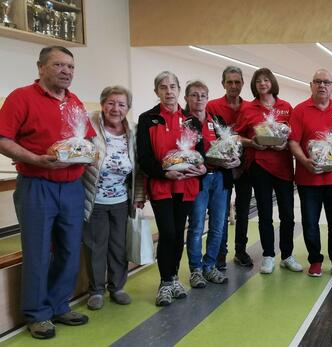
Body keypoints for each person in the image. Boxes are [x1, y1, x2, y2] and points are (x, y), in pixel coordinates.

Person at [0, 46, 93, 339]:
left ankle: (59, 305)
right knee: (39, 251)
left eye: (70, 66)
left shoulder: (75, 102)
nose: (66, 71)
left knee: (68, 249)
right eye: (59, 65)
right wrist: (35, 159)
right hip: (37, 184)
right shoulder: (21, 98)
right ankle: (37, 314)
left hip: (72, 187)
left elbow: (87, 140)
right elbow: (2, 139)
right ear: (40, 68)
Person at [136, 71, 206, 306]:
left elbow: (201, 153)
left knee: (178, 234)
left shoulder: (192, 121)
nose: (168, 91)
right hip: (162, 185)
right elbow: (144, 157)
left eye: (172, 86)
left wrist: (202, 168)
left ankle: (174, 277)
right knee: (167, 233)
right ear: (156, 92)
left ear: (178, 91)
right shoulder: (148, 119)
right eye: (163, 87)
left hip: (186, 185)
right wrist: (165, 172)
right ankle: (165, 283)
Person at [82, 86, 146, 310]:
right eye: (110, 103)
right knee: (95, 246)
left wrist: (138, 196)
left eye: (121, 104)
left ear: (128, 108)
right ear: (102, 104)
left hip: (121, 200)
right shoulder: (89, 125)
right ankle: (96, 290)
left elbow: (139, 168)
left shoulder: (133, 132)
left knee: (118, 246)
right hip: (94, 200)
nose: (115, 108)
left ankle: (117, 287)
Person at [235, 68, 303, 274]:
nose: (262, 84)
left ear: (272, 82)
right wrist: (252, 142)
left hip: (282, 167)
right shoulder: (248, 108)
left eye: (266, 80)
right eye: (258, 81)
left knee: (288, 215)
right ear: (254, 86)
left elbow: (292, 136)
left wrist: (285, 145)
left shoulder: (286, 107)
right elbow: (237, 137)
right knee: (265, 214)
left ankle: (288, 255)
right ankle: (268, 256)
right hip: (259, 166)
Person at [289, 69, 332, 280]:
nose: (322, 85)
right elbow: (293, 142)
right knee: (310, 221)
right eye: (318, 81)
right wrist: (305, 161)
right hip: (309, 178)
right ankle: (315, 260)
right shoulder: (300, 110)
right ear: (311, 85)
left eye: (326, 82)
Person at [183, 80, 237, 288]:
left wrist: (235, 158)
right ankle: (196, 270)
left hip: (220, 179)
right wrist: (204, 163)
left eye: (203, 95)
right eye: (194, 95)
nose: (199, 99)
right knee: (196, 226)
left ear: (207, 98)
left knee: (218, 225)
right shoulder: (185, 123)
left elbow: (229, 146)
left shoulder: (217, 120)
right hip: (198, 180)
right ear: (187, 98)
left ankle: (210, 265)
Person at [206, 66, 254, 269]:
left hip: (245, 167)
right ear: (223, 84)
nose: (233, 86)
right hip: (221, 169)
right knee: (221, 211)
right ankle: (220, 252)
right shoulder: (212, 106)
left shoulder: (251, 108)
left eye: (237, 82)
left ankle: (240, 251)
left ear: (243, 84)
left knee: (243, 211)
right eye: (229, 82)